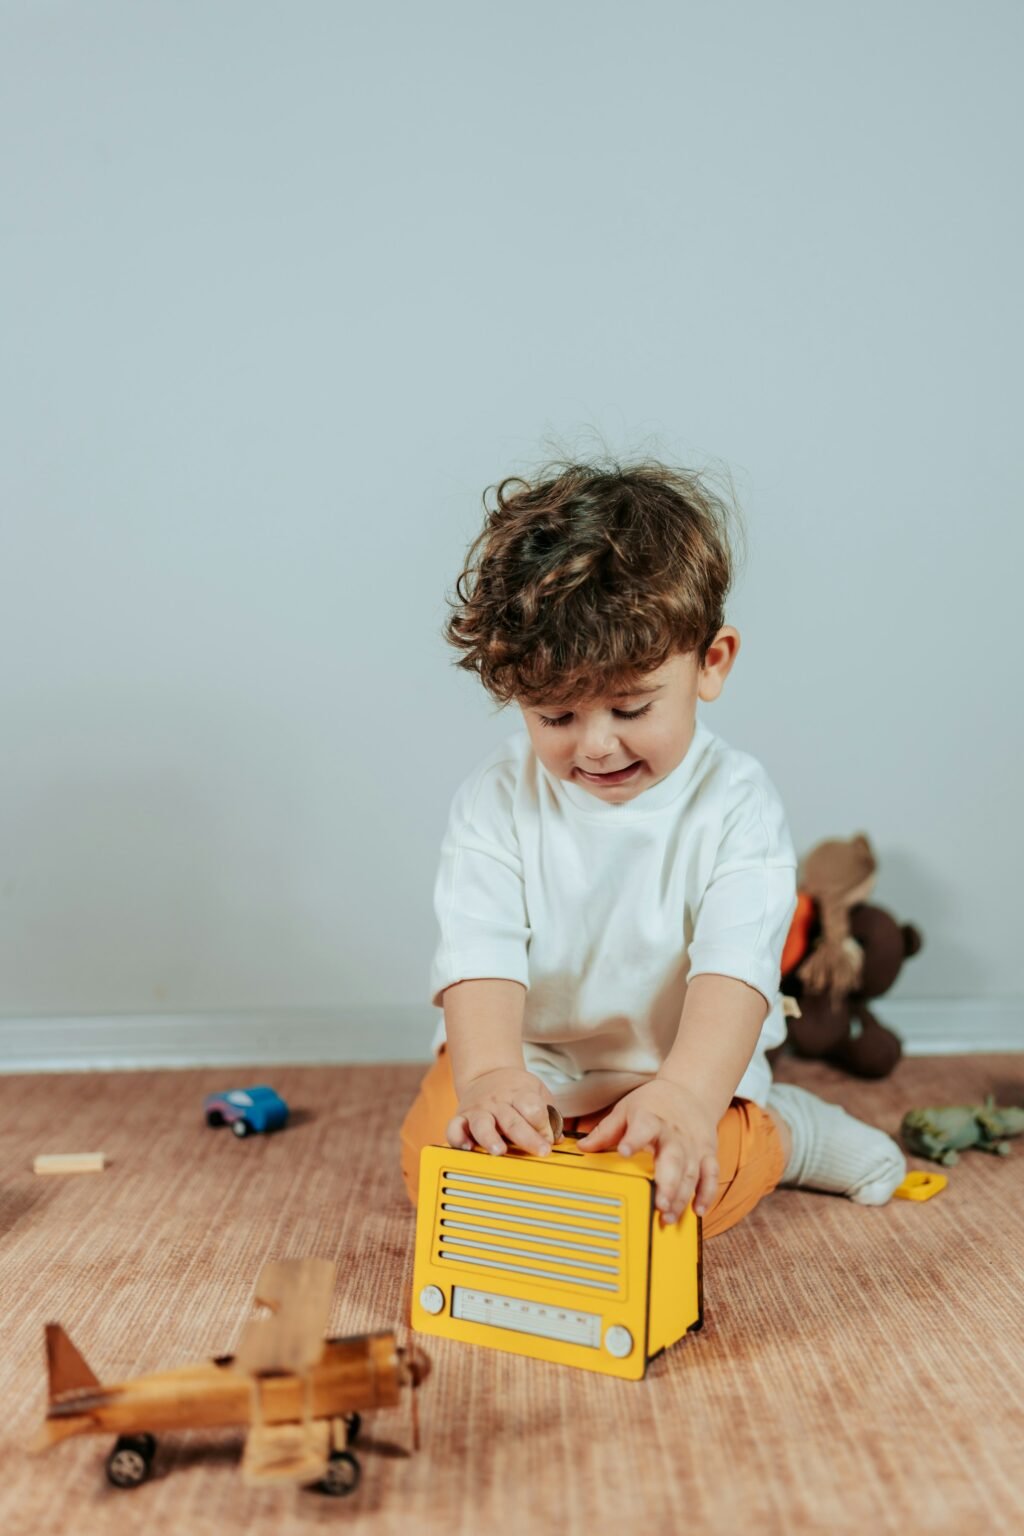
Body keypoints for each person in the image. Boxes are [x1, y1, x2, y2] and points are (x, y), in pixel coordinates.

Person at [400, 458, 905, 1236]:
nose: (596, 745)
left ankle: (785, 1134)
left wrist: (689, 1097)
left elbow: (735, 971)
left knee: (670, 1207)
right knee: (443, 1184)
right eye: (556, 718)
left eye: (630, 707)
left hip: (689, 1066)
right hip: (531, 1057)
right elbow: (480, 954)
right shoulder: (497, 798)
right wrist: (494, 1076)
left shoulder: (736, 805)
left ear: (711, 663)